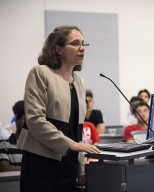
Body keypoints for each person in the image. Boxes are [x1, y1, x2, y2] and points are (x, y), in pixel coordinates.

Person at [16, 26, 101, 192]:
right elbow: (35, 121)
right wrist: (71, 145)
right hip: (41, 164)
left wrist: (82, 168)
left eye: (83, 44)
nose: (82, 48)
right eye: (75, 43)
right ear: (58, 49)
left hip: (69, 164)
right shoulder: (40, 73)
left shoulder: (79, 82)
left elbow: (78, 131)